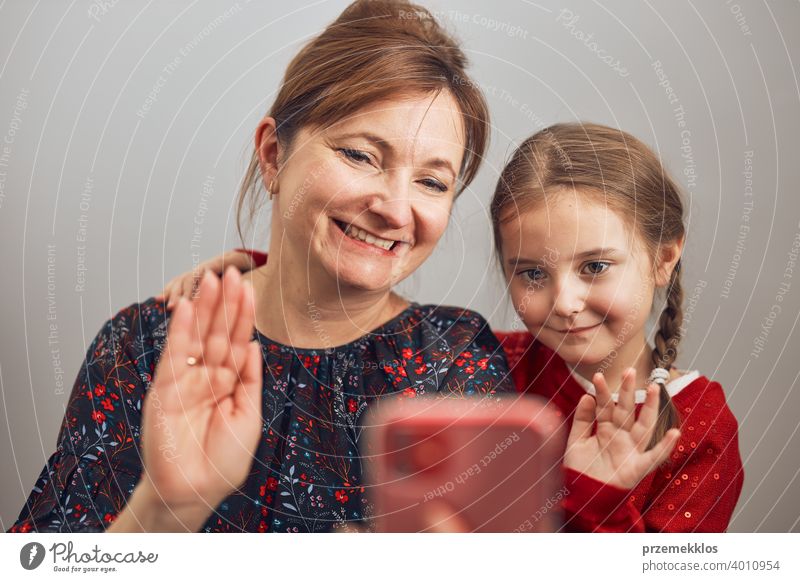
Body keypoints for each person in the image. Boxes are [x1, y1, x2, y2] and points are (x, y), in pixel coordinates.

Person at [9, 0, 513, 534]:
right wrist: (166, 511)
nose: (394, 207)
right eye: (360, 156)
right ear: (274, 154)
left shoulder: (457, 362)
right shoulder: (142, 344)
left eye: (432, 182)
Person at [183, 123, 744, 532]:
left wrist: (592, 490)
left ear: (663, 258)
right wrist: (261, 272)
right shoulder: (480, 358)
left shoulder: (699, 428)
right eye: (532, 274)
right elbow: (370, 332)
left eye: (595, 267)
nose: (564, 302)